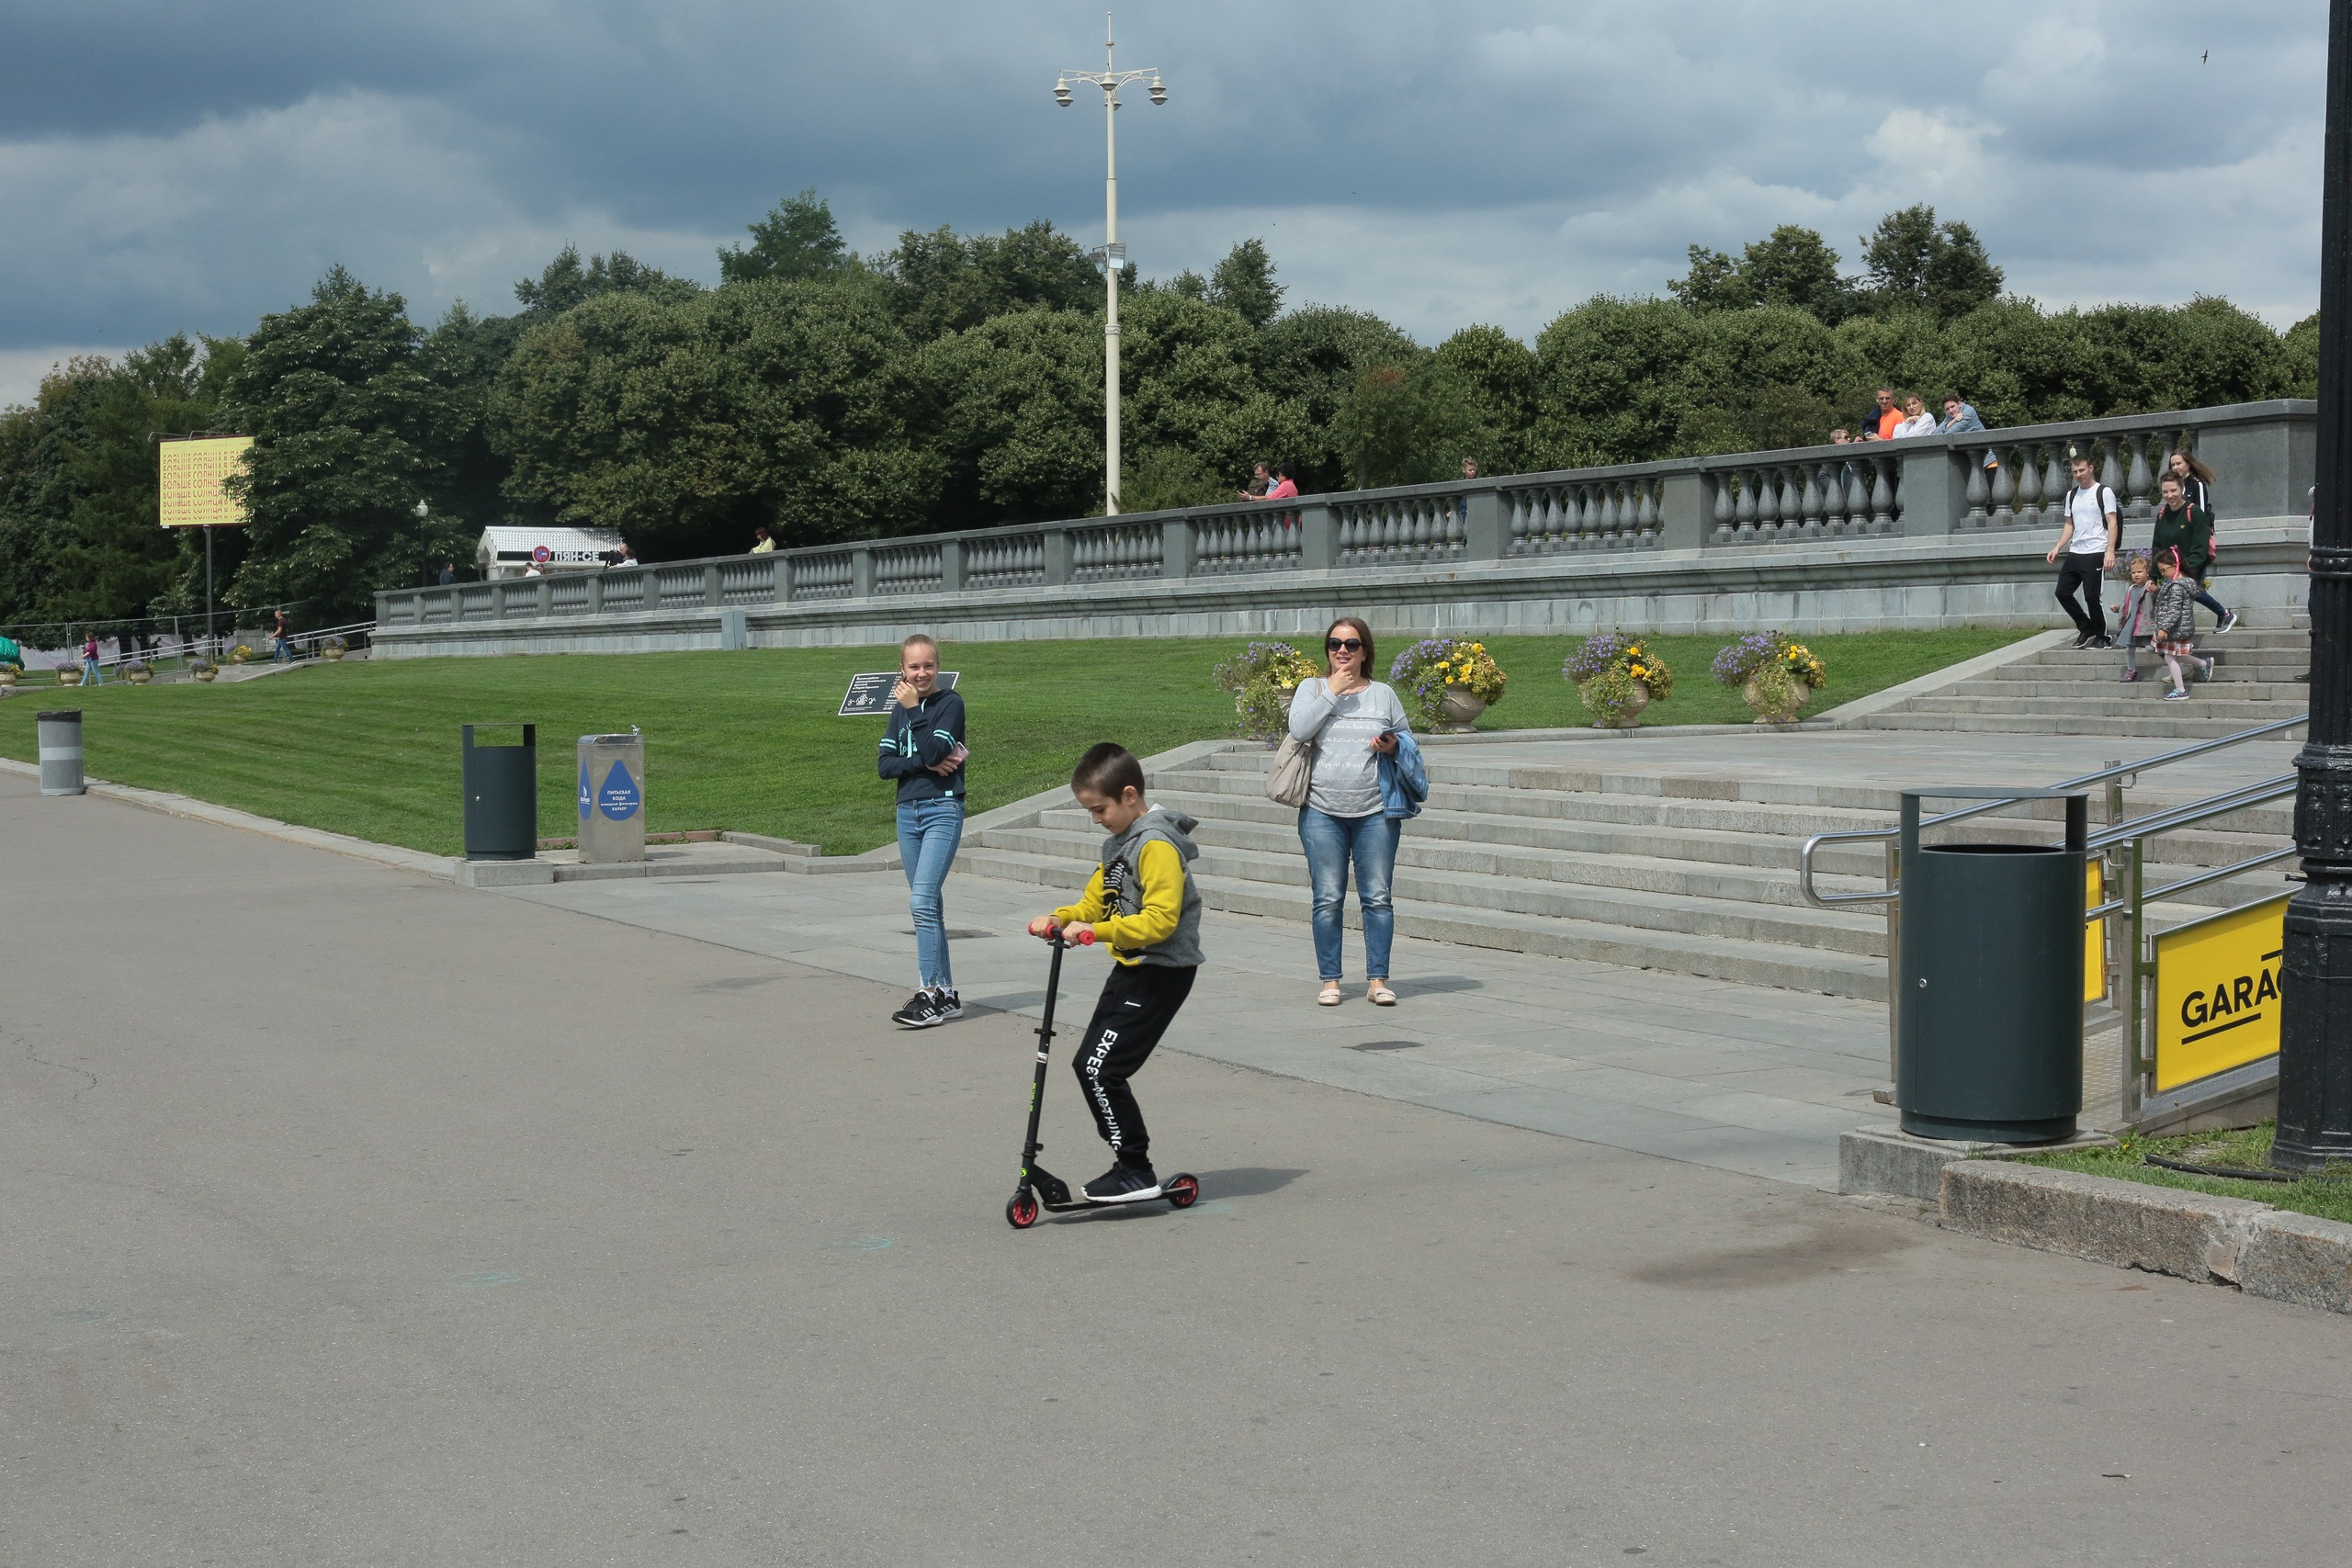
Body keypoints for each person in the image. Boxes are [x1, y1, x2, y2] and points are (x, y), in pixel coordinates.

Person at [1024, 743, 1204, 1201]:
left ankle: (1135, 1170)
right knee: (1088, 1066)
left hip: (1162, 971)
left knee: (1101, 1069)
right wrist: (1061, 918)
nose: (1095, 819)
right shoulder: (1118, 845)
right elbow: (1094, 903)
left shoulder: (1156, 846)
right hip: (1131, 969)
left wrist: (1095, 933)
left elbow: (1161, 921)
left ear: (1129, 795)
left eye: (1099, 809)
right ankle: (1130, 1165)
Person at [1287, 616, 1410, 1007]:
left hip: (1375, 811)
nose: (1343, 650)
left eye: (1352, 644)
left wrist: (1392, 745)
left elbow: (1407, 737)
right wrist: (1332, 692)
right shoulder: (1312, 688)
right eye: (1335, 644)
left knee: (1378, 897)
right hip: (1322, 811)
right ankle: (1330, 982)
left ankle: (1378, 980)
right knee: (1327, 897)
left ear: (1365, 651)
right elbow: (1299, 730)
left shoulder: (1383, 694)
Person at [879, 633, 967, 1029]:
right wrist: (924, 764)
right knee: (928, 905)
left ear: (938, 666)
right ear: (902, 668)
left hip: (941, 810)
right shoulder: (899, 710)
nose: (921, 673)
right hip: (907, 812)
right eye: (913, 666)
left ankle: (927, 995)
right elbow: (885, 766)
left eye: (928, 665)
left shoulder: (950, 703)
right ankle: (946, 994)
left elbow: (935, 750)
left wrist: (915, 711)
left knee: (921, 902)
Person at [2047, 454, 2118, 648]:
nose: (2079, 475)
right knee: (2062, 592)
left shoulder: (2104, 492)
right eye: (2075, 472)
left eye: (2082, 470)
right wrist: (2057, 547)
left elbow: (2112, 522)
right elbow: (2069, 524)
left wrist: (2110, 551)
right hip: (2076, 551)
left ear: (2091, 468)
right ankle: (2086, 627)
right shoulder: (2072, 495)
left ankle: (2103, 636)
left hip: (2096, 550)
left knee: (2091, 596)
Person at [2164, 449, 2239, 631]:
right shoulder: (2175, 487)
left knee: (2187, 587)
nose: (2175, 467)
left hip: (2195, 545)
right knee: (2179, 586)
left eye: (2178, 463)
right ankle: (2180, 626)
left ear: (2188, 464)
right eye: (2172, 464)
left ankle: (2222, 614)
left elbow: (2202, 516)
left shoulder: (2196, 485)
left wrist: (2198, 544)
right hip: (2178, 546)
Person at [2152, 548, 2213, 701]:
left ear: (2175, 566)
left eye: (2164, 570)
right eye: (2160, 571)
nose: (2162, 574)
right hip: (2178, 628)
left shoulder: (2177, 587)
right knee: (2177, 655)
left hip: (2175, 629)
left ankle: (2180, 689)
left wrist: (2165, 627)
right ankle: (2203, 663)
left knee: (2169, 656)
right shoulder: (2178, 584)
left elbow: (2174, 610)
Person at [2114, 553, 2156, 682]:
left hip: (2145, 624)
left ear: (2147, 573)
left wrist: (2155, 589)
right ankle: (2131, 670)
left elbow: (2157, 598)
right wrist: (2118, 608)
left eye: (2139, 572)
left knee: (2150, 647)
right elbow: (2128, 605)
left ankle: (2170, 657)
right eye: (2133, 573)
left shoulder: (2150, 587)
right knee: (2129, 648)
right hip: (2132, 624)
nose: (2136, 575)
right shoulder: (2131, 589)